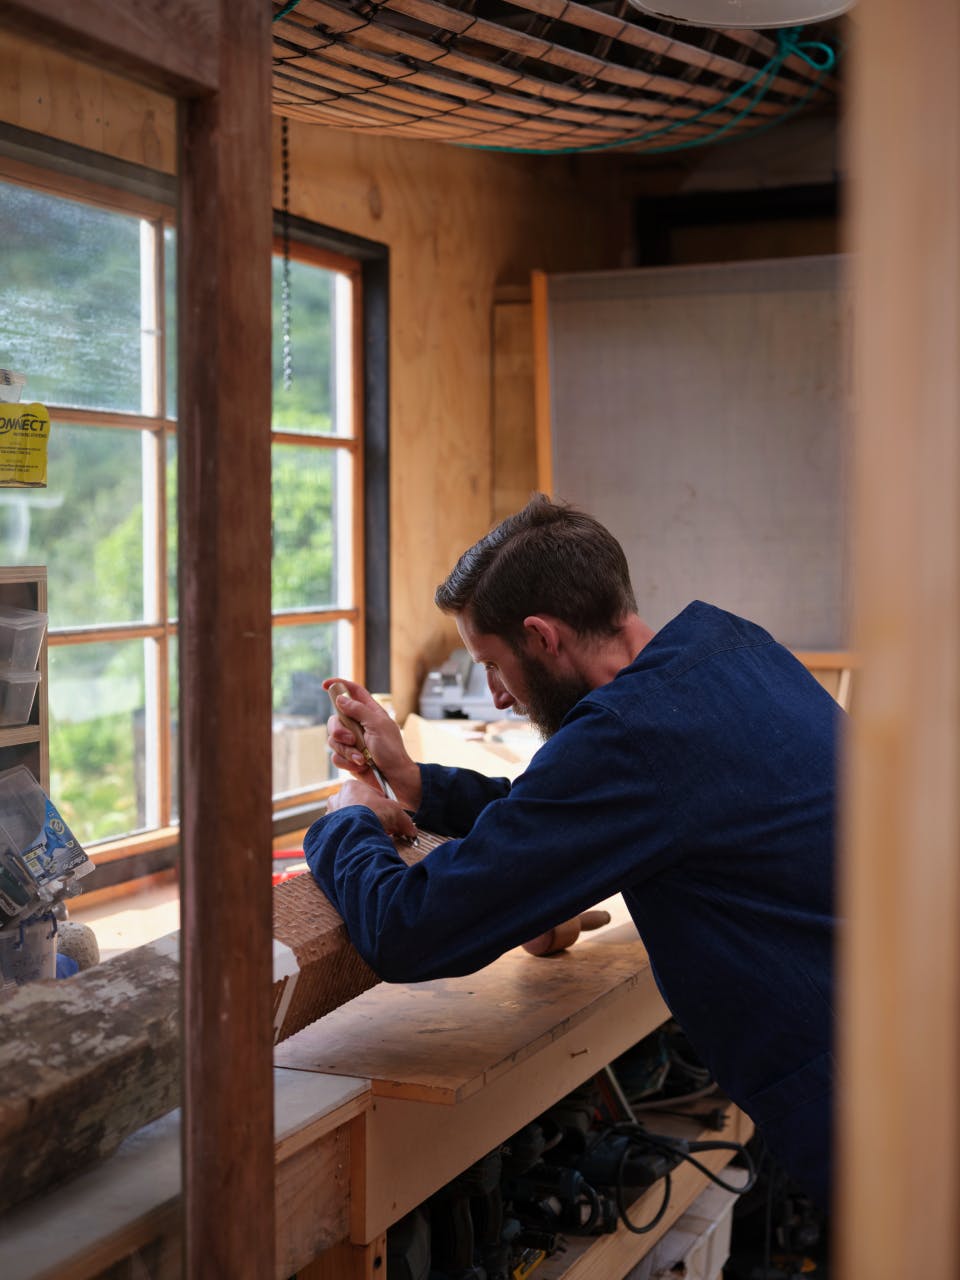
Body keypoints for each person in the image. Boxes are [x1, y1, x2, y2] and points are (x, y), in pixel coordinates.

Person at [304, 494, 838, 1207]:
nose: (496, 697)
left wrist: (349, 820)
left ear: (543, 638)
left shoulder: (633, 739)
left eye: (493, 665)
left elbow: (411, 930)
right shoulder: (728, 647)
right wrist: (413, 783)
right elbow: (593, 811)